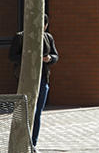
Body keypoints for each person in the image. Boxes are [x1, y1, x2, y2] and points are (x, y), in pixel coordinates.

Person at [9, 14, 59, 148]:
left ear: (45, 26)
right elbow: (12, 56)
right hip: (26, 79)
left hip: (42, 80)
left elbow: (55, 56)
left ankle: (33, 144)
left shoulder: (48, 38)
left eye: (42, 26)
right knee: (26, 113)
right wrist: (29, 57)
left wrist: (49, 59)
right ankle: (22, 142)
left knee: (37, 113)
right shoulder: (20, 37)